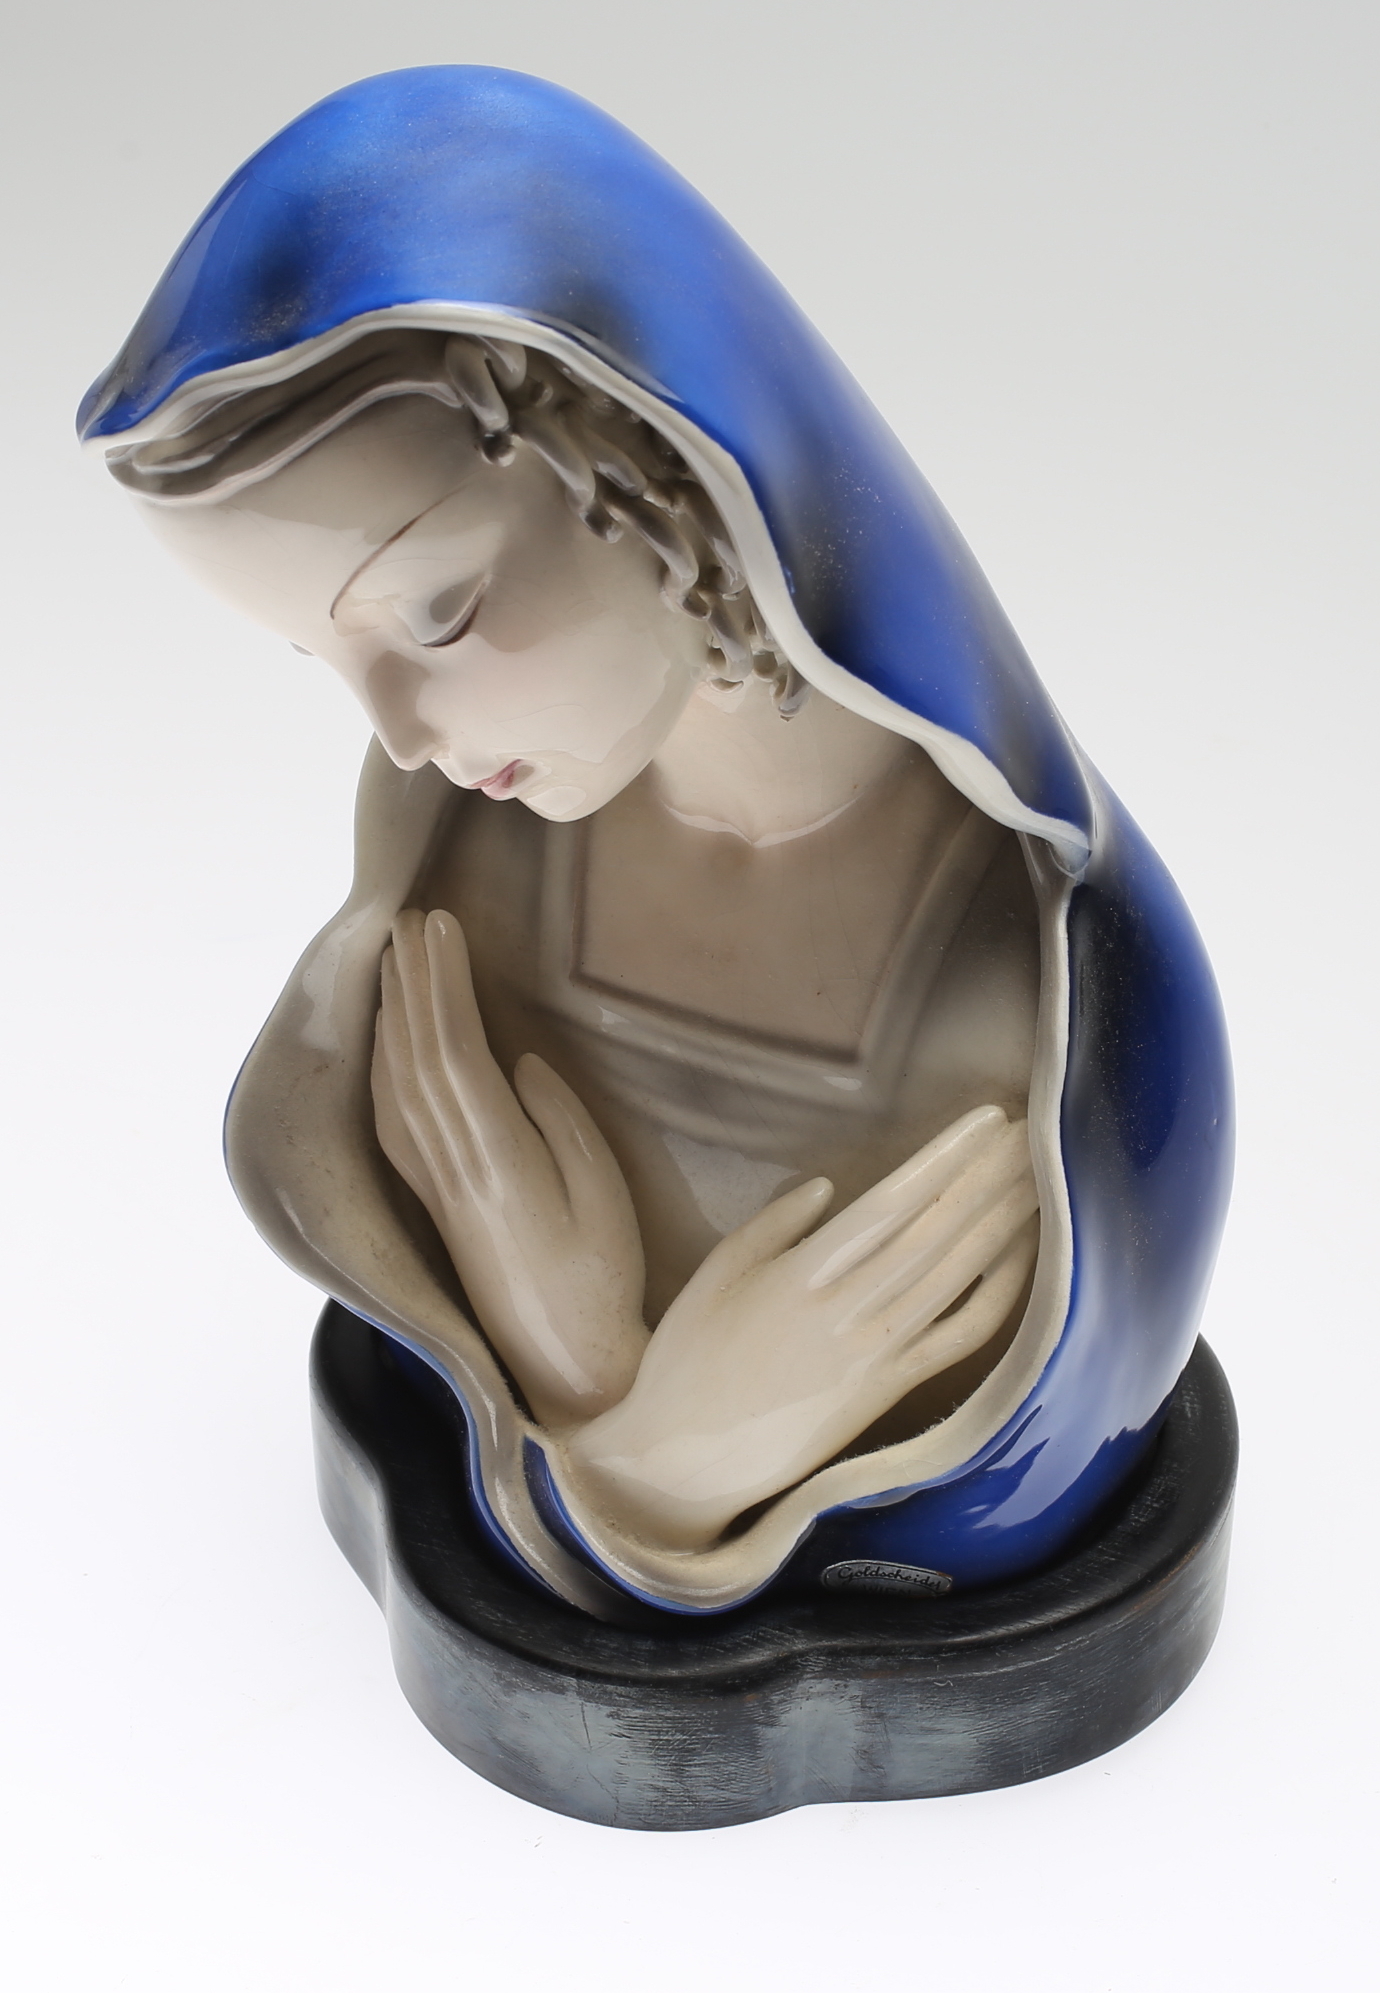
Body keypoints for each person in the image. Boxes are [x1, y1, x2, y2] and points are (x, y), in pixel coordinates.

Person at [80, 67, 1231, 1618]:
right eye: (324, 659)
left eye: (439, 611)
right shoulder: (450, 859)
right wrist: (615, 1410)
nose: (400, 732)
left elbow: (1030, 1484)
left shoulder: (1049, 983)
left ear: (656, 467)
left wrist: (647, 1450)